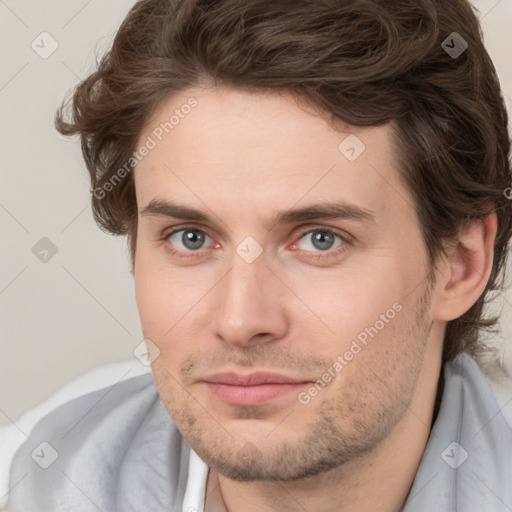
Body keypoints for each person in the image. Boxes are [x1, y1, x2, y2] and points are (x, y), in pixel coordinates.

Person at [4, 0, 512, 510]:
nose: (240, 320)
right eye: (191, 238)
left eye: (320, 239)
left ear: (460, 265)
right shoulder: (33, 473)